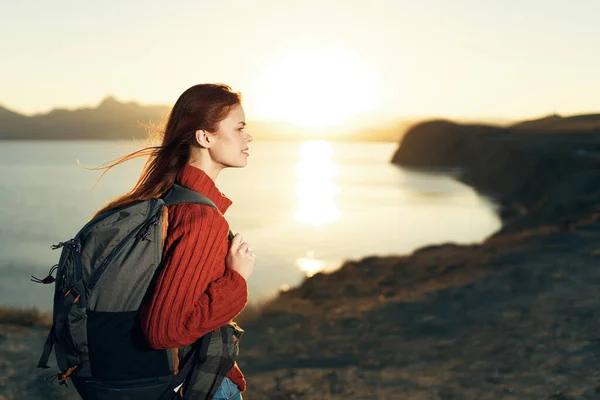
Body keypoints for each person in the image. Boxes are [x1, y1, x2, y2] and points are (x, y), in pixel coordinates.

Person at [92, 83, 255, 399]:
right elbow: (164, 330)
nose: (248, 137)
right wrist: (237, 280)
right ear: (204, 137)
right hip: (198, 385)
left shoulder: (169, 199)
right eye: (239, 128)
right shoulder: (200, 218)